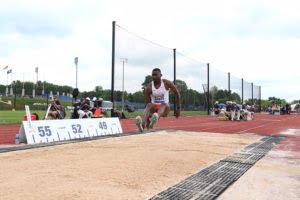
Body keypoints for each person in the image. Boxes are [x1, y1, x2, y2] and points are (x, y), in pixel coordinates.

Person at [135, 68, 181, 132]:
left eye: (156, 75)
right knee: (149, 105)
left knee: (164, 104)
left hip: (165, 109)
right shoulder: (149, 87)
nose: (154, 77)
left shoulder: (166, 83)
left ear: (160, 75)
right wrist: (147, 119)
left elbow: (177, 93)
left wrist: (178, 108)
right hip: (154, 108)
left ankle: (156, 117)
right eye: (153, 75)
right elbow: (146, 103)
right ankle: (142, 124)